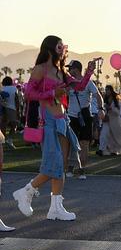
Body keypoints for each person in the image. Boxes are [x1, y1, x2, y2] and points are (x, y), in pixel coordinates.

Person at [14, 36, 98, 220]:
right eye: (59, 45)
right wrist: (52, 92)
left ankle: (55, 208)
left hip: (62, 119)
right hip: (48, 120)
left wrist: (89, 71)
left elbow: (80, 86)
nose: (63, 49)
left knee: (61, 164)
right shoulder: (40, 69)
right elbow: (29, 93)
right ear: (52, 48)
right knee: (55, 163)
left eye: (63, 46)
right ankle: (27, 191)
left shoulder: (61, 71)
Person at [67, 60, 103, 177]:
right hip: (71, 116)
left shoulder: (88, 83)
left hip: (85, 116)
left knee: (84, 143)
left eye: (70, 68)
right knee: (71, 143)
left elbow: (98, 95)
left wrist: (101, 109)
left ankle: (82, 169)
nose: (68, 70)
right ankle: (70, 167)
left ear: (76, 69)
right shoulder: (69, 83)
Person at [97, 85, 121, 156]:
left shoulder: (116, 99)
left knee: (116, 136)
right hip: (107, 120)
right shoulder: (104, 99)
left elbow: (118, 112)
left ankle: (115, 150)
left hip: (115, 121)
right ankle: (101, 149)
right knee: (104, 134)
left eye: (108, 90)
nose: (107, 91)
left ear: (111, 90)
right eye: (106, 90)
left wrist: (110, 109)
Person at [0, 76, 19, 148]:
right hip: (12, 108)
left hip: (3, 108)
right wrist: (18, 110)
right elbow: (16, 99)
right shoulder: (14, 88)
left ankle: (3, 140)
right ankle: (10, 139)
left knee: (3, 125)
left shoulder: (2, 88)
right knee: (14, 125)